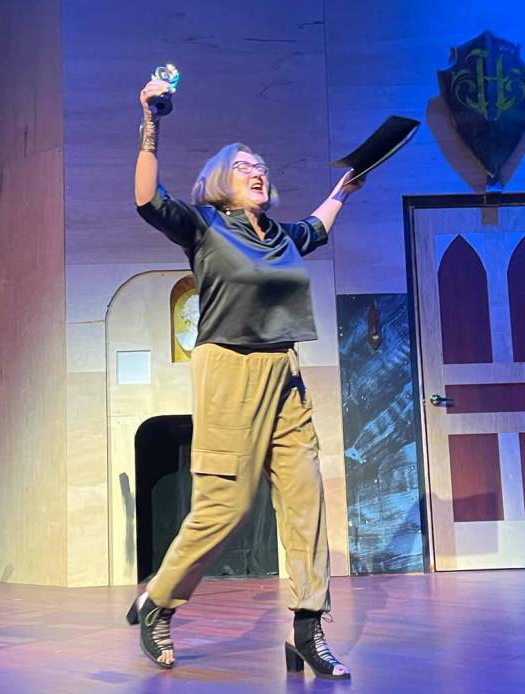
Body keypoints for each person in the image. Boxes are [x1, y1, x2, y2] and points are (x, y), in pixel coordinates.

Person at [126, 76, 364, 680]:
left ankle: (307, 628)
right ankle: (159, 601)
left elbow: (316, 228)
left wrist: (342, 191)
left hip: (285, 372)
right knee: (224, 506)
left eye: (260, 166)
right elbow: (148, 200)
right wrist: (151, 121)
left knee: (306, 501)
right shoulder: (205, 226)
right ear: (220, 182)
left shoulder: (280, 237)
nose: (257, 171)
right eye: (243, 166)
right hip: (229, 370)